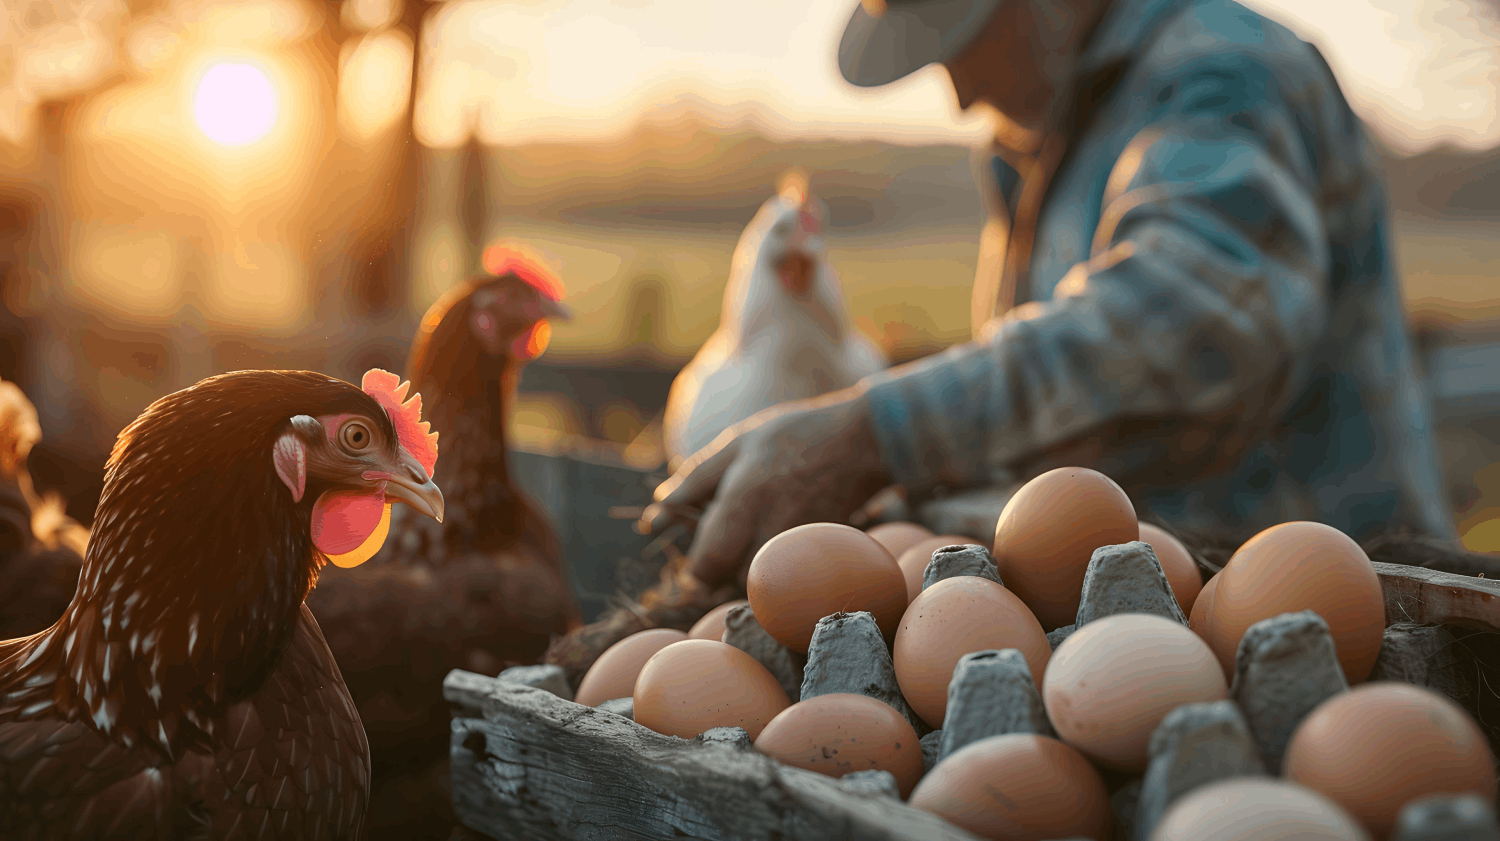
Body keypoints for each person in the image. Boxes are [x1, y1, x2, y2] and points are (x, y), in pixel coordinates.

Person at [640, 0, 1458, 591]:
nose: (957, 93)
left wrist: (875, 434)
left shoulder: (1223, 71)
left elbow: (1182, 312)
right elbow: (1063, 404)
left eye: (964, 38)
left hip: (1348, 595)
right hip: (1154, 602)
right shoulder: (1044, 139)